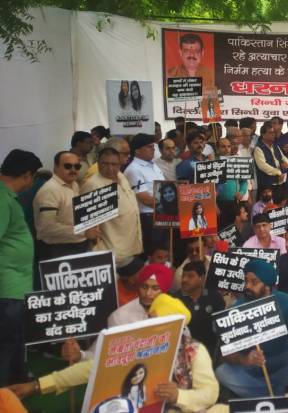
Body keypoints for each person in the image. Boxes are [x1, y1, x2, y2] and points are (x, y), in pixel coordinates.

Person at [12, 293, 226, 412]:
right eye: (150, 319)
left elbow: (210, 394)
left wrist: (178, 395)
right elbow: (93, 369)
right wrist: (38, 385)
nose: (151, 324)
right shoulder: (136, 343)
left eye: (158, 322)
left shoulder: (194, 351)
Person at [215, 260, 288, 397]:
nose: (248, 286)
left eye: (254, 282)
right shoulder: (236, 309)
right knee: (222, 372)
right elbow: (227, 353)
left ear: (268, 285)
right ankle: (271, 395)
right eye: (246, 281)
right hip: (253, 368)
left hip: (282, 362)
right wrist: (244, 359)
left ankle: (266, 394)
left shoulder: (286, 302)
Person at [0, 149, 42, 386]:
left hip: (14, 285)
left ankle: (15, 386)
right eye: (33, 177)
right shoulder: (1, 198)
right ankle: (5, 394)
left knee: (14, 340)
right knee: (7, 343)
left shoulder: (7, 196)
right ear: (27, 175)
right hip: (7, 286)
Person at [34, 151, 100, 259]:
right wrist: (84, 231)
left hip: (76, 246)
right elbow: (47, 227)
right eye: (68, 166)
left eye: (77, 166)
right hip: (58, 249)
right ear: (56, 167)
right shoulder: (50, 190)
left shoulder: (74, 185)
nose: (73, 170)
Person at [82, 147, 143, 263]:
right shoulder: (93, 185)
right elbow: (87, 225)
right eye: (104, 164)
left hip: (130, 248)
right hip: (109, 253)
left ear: (120, 164)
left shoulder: (121, 176)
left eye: (114, 164)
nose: (110, 168)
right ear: (98, 163)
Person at [124, 133, 165, 251]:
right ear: (137, 151)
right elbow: (145, 199)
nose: (153, 149)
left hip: (161, 214)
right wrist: (170, 205)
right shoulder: (134, 169)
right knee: (153, 251)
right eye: (148, 147)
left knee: (163, 250)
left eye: (153, 146)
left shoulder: (153, 165)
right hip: (148, 218)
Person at [175, 260, 225, 356]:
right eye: (183, 276)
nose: (184, 279)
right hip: (183, 352)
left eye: (190, 276)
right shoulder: (175, 299)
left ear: (201, 278)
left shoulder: (215, 298)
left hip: (209, 351)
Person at [253, 120, 288, 201]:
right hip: (267, 184)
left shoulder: (275, 146)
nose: (273, 134)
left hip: (280, 182)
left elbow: (283, 157)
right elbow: (263, 166)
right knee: (268, 206)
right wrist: (278, 172)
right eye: (270, 133)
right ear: (263, 134)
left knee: (280, 205)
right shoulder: (258, 148)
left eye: (273, 132)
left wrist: (286, 163)